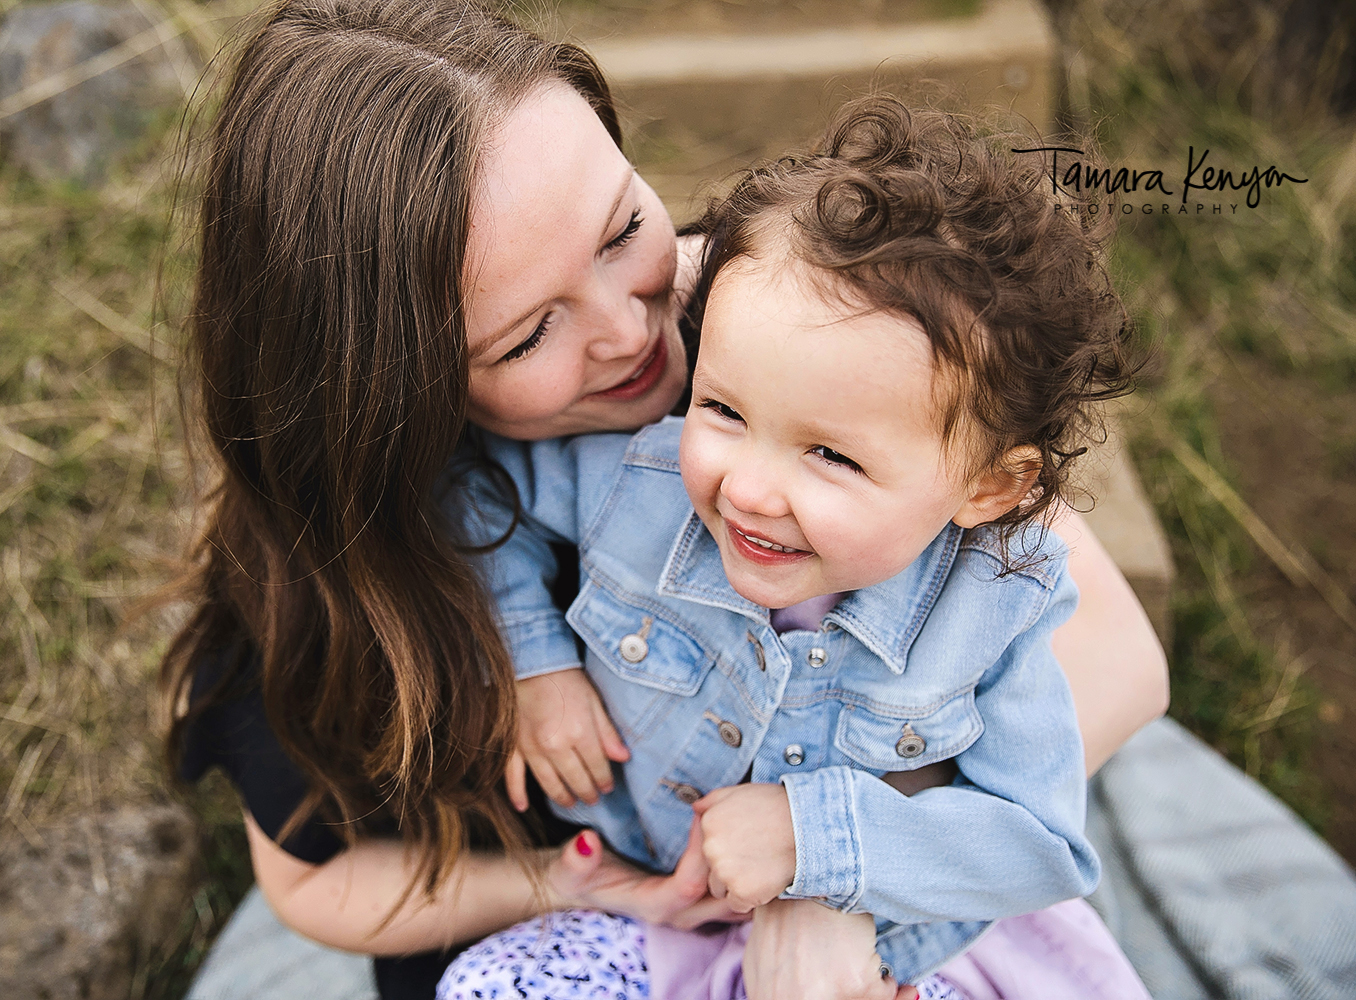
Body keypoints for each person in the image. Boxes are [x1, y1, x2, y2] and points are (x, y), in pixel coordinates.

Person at [164, 1, 1169, 997]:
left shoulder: (793, 333)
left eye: (621, 229)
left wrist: (830, 880)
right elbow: (312, 877)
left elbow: (1116, 656)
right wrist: (566, 882)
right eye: (526, 336)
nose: (634, 331)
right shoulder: (338, 564)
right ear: (397, 394)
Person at [435, 95, 1153, 1000]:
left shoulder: (996, 604)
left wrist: (816, 837)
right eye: (725, 410)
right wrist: (534, 665)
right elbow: (470, 489)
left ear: (988, 488)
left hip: (884, 950)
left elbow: (1039, 844)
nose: (749, 488)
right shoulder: (643, 482)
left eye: (830, 454)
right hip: (669, 920)